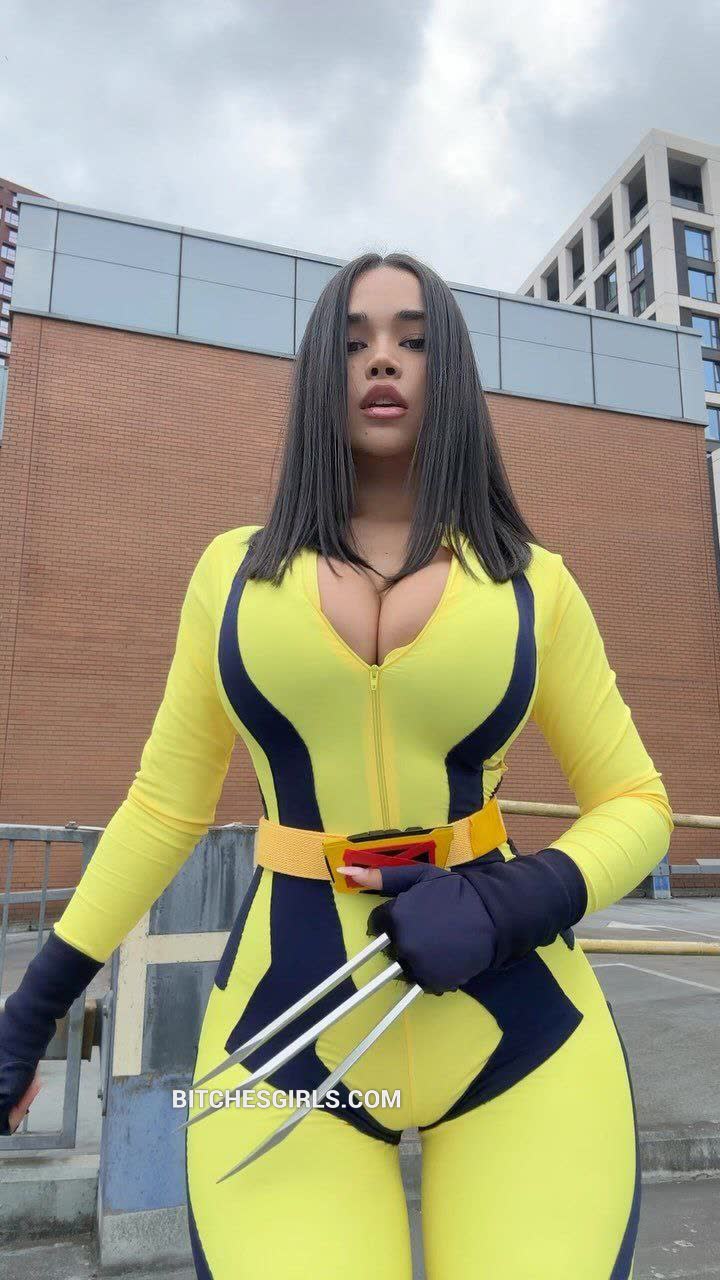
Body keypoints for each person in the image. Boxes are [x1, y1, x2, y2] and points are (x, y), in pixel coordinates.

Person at [0, 253, 674, 1279]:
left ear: (451, 371)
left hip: (523, 1028)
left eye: (413, 339)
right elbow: (164, 806)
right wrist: (33, 1007)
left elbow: (637, 801)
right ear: (322, 370)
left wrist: (512, 901)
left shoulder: (536, 583)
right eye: (356, 342)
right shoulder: (231, 573)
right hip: (282, 1035)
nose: (383, 360)